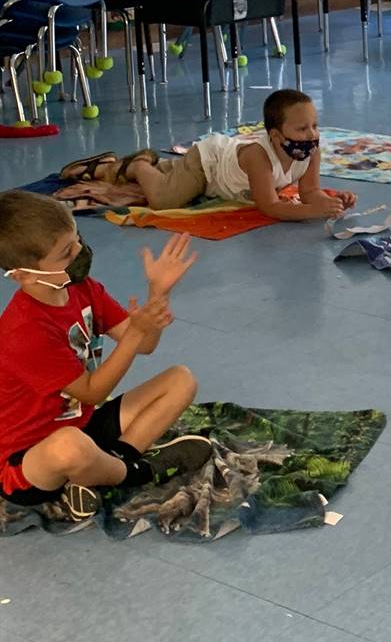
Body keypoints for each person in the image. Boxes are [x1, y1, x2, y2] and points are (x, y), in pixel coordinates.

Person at [0, 193, 197, 511]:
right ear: (22, 274)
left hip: (83, 427)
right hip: (29, 461)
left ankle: (109, 465)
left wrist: (159, 292)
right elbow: (93, 391)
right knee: (69, 446)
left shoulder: (82, 288)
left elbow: (145, 344)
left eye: (77, 238)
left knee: (180, 379)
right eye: (66, 253)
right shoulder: (22, 331)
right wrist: (135, 332)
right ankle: (136, 472)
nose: (79, 252)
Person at [60, 90, 356, 223]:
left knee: (172, 178)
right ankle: (138, 165)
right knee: (164, 201)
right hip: (207, 163)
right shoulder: (259, 156)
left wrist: (330, 201)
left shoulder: (311, 151)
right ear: (276, 136)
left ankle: (114, 167)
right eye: (302, 128)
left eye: (314, 126)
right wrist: (312, 211)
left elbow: (310, 191)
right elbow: (270, 206)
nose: (312, 134)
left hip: (215, 175)